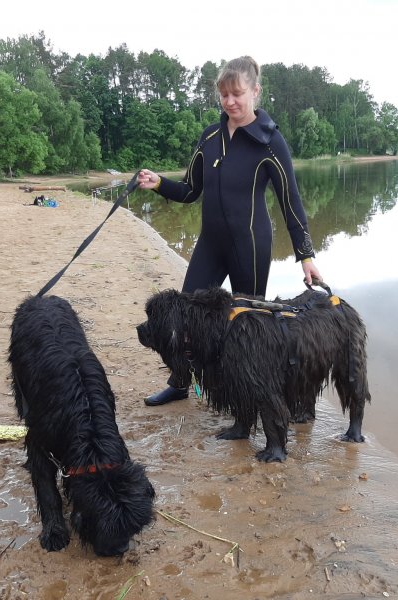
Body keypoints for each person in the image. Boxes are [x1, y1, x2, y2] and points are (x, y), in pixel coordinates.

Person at [137, 55, 323, 407]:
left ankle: (250, 394)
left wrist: (306, 255)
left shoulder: (270, 142)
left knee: (247, 326)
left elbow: (291, 201)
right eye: (224, 95)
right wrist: (159, 182)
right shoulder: (210, 137)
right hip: (211, 243)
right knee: (185, 313)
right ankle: (180, 382)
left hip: (249, 245)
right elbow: (191, 189)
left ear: (255, 91)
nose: (230, 102)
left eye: (237, 93)